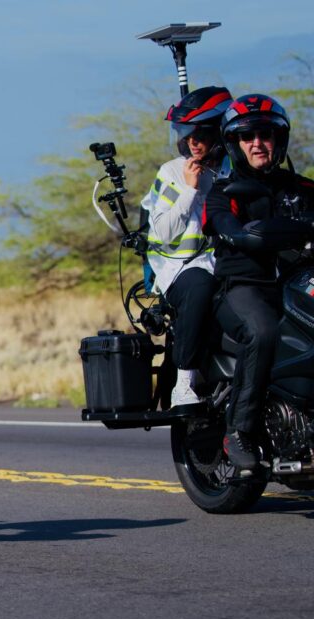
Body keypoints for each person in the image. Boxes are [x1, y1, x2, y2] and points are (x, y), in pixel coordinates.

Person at [203, 94, 314, 470]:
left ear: (278, 139)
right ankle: (240, 430)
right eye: (246, 137)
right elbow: (233, 230)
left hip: (296, 283)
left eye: (265, 135)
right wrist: (261, 232)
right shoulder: (224, 192)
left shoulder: (302, 188)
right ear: (234, 144)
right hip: (243, 288)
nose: (257, 143)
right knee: (262, 332)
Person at [141, 86, 232, 408]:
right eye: (186, 133)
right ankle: (184, 383)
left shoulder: (233, 168)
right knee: (200, 286)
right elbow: (164, 233)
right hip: (181, 267)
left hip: (226, 262)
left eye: (200, 133)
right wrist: (190, 191)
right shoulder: (172, 172)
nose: (192, 141)